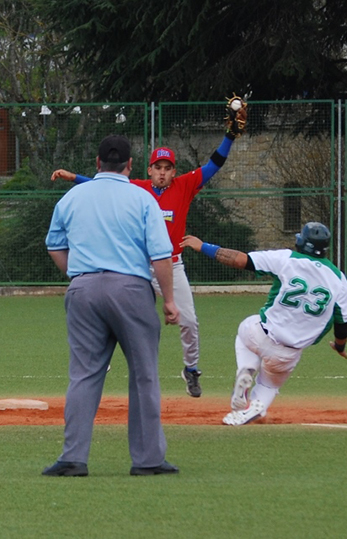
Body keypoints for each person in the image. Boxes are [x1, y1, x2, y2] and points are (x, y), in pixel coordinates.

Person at [51, 103, 248, 398]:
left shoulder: (186, 185)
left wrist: (229, 137)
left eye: (168, 168)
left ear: (174, 172)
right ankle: (99, 361)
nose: (163, 173)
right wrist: (73, 178)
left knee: (190, 322)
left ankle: (191, 369)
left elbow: (214, 164)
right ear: (149, 169)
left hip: (172, 265)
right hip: (138, 267)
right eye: (158, 167)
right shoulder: (138, 188)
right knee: (120, 316)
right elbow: (103, 183)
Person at [43, 134, 181, 477]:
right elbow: (161, 255)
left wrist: (77, 277)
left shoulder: (72, 197)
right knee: (144, 375)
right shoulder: (143, 198)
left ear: (96, 162)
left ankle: (73, 458)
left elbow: (54, 246)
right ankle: (148, 460)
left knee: (84, 375)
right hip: (131, 290)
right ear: (131, 165)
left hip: (84, 291)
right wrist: (170, 300)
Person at [180, 222, 347, 426]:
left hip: (260, 334)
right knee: (270, 385)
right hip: (288, 353)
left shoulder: (286, 259)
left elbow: (240, 260)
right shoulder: (339, 279)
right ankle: (256, 407)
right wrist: (340, 346)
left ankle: (246, 370)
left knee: (245, 329)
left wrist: (203, 247)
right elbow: (342, 323)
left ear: (303, 243)